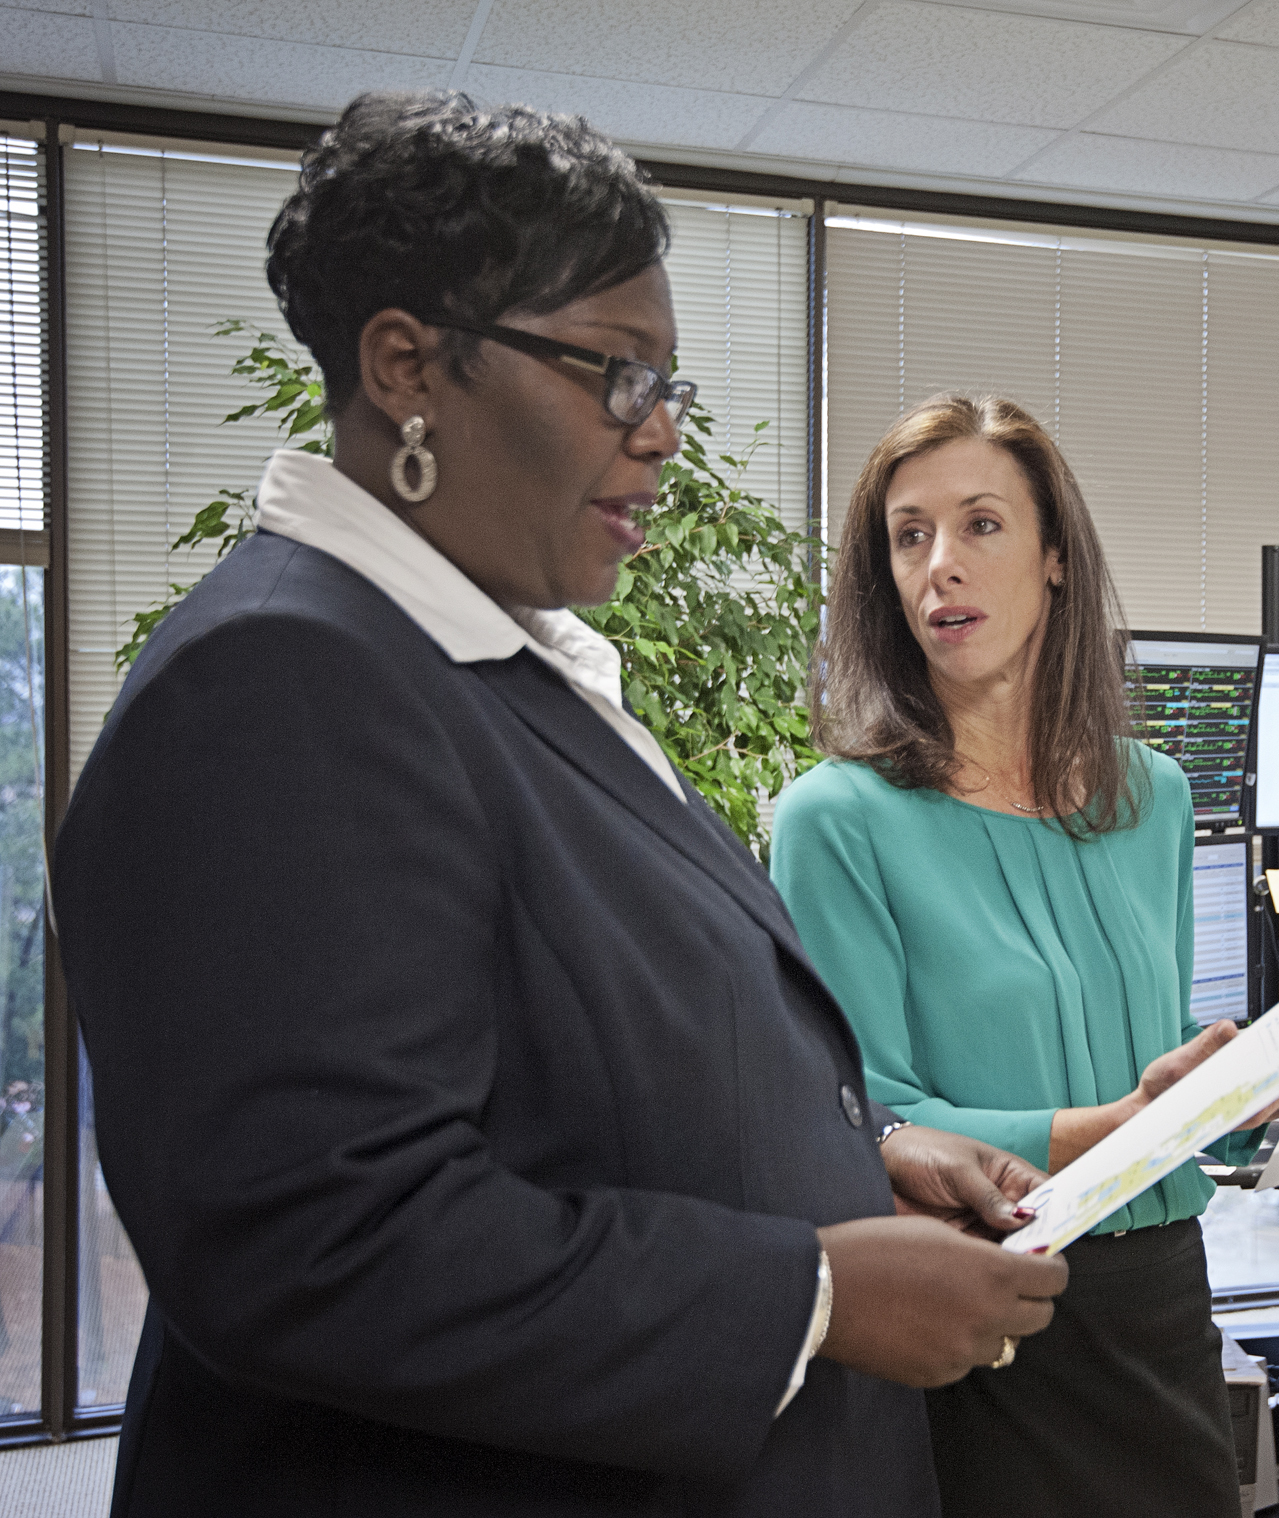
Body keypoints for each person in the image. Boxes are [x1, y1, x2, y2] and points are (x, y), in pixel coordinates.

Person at [52, 93, 1068, 1517]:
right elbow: (323, 1237)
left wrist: (861, 1156)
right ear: (409, 367)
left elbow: (575, 1079)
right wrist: (811, 1294)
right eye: (615, 375)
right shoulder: (278, 682)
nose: (660, 437)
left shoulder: (486, 663)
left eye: (670, 385)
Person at [769, 392, 1279, 1517]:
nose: (941, 566)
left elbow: (1151, 1055)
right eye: (909, 535)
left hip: (1158, 1295)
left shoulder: (1150, 794)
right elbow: (859, 1111)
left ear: (1056, 557)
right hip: (983, 1303)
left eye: (981, 525)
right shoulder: (836, 818)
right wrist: (1117, 1127)